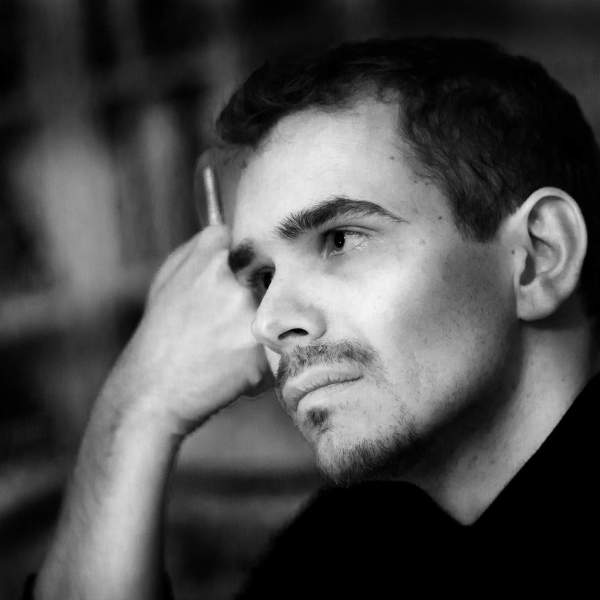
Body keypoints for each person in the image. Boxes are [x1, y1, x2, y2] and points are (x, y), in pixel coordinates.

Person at [31, 37, 600, 599]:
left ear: (539, 256)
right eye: (262, 278)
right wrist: (139, 407)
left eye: (341, 239)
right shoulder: (352, 535)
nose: (268, 321)